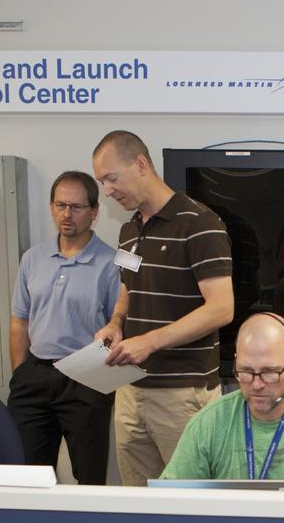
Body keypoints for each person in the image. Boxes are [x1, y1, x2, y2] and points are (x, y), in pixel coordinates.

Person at [91, 130, 234, 486]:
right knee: (139, 502)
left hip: (181, 394)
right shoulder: (129, 229)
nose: (107, 191)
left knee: (190, 500)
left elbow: (222, 309)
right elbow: (127, 286)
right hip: (130, 388)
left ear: (141, 164)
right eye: (101, 182)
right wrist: (116, 323)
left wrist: (150, 341)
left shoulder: (200, 224)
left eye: (112, 178)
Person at [161, 313, 284, 492]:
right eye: (246, 371)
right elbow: (168, 501)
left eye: (269, 372)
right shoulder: (208, 423)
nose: (256, 385)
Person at [7, 170, 119, 484]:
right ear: (51, 207)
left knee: (90, 477)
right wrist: (20, 372)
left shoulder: (112, 263)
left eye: (76, 207)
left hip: (86, 379)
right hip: (35, 375)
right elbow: (19, 320)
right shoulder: (33, 259)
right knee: (28, 477)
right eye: (60, 205)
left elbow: (119, 327)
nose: (66, 214)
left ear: (94, 212)